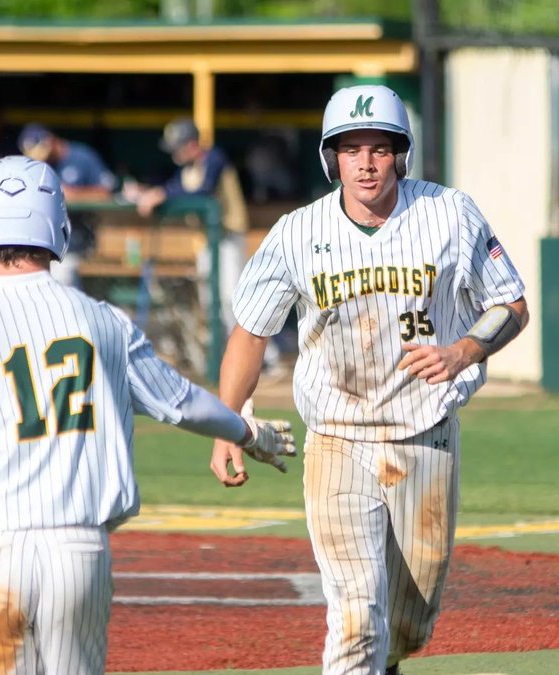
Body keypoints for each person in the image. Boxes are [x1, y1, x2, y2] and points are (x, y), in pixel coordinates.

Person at [0, 156, 296, 673]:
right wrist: (247, 432)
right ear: (56, 223)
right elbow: (182, 403)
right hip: (78, 553)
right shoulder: (104, 321)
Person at [210, 84, 530, 675]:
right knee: (357, 618)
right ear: (330, 157)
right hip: (337, 439)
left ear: (400, 154)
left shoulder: (450, 213)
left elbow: (510, 303)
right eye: (351, 149)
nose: (365, 163)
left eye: (379, 148)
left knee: (408, 625)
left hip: (426, 436)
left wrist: (463, 351)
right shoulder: (296, 232)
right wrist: (228, 424)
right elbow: (250, 332)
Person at [124, 117, 281, 374]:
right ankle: (233, 358)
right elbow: (175, 188)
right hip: (209, 242)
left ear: (192, 144)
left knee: (233, 299)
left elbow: (202, 190)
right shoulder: (186, 169)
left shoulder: (214, 158)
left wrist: (161, 194)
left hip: (228, 239)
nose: (174, 153)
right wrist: (148, 192)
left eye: (178, 147)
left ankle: (267, 357)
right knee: (211, 303)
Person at [18, 123, 117, 288]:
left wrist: (74, 194)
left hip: (80, 240)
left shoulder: (82, 156)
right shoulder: (37, 167)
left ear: (50, 141)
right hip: (43, 242)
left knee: (62, 275)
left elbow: (106, 193)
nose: (42, 158)